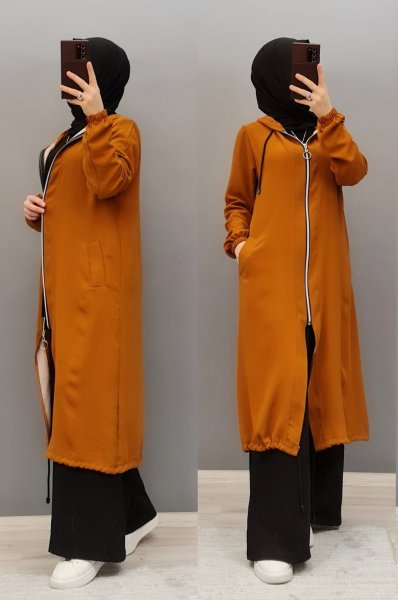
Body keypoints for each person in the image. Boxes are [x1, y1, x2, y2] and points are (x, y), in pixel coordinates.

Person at [223, 37, 370, 584]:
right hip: (271, 290)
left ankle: (319, 510)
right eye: (293, 72)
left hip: (325, 289)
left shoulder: (330, 134)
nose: (304, 80)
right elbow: (236, 201)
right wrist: (243, 246)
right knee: (277, 401)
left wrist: (329, 114)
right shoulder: (253, 136)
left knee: (322, 389)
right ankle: (275, 539)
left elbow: (354, 171)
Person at [23, 37, 157, 590]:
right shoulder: (64, 139)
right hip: (62, 292)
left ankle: (89, 543)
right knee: (77, 403)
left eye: (87, 71)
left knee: (90, 410)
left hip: (99, 296)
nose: (74, 79)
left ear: (107, 80)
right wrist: (38, 211)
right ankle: (135, 515)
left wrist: (99, 115)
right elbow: (77, 202)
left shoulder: (120, 129)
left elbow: (108, 182)